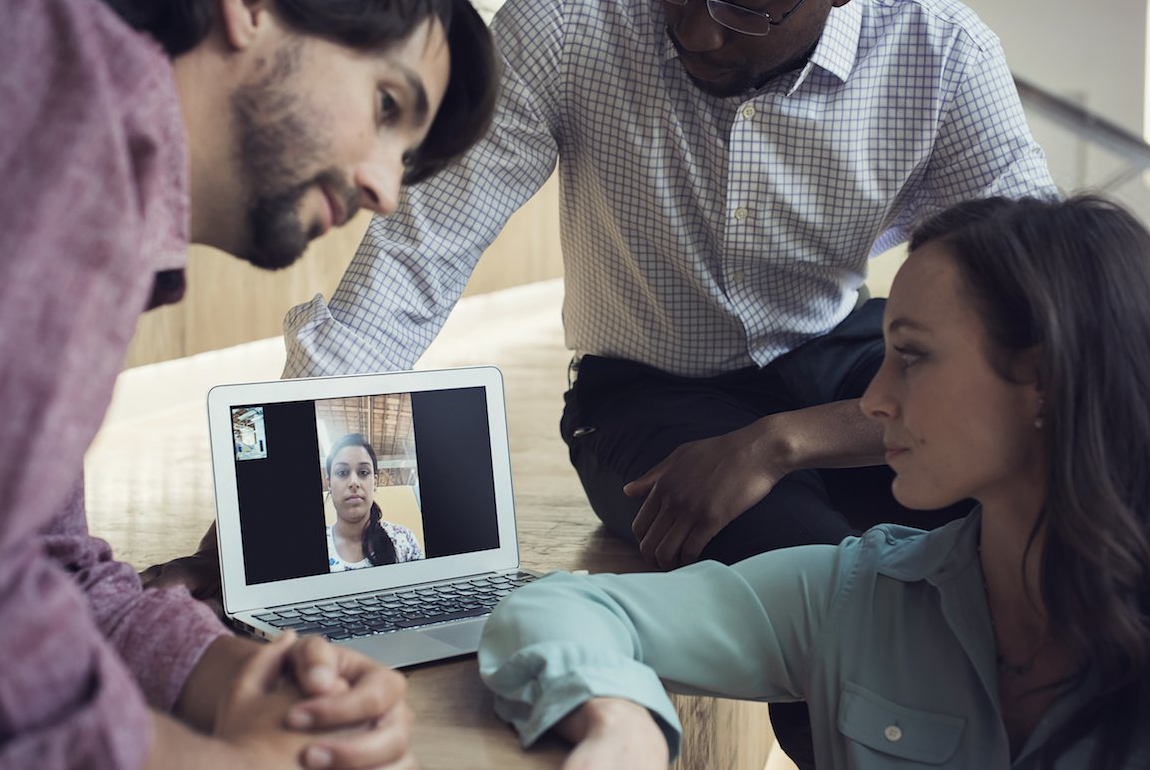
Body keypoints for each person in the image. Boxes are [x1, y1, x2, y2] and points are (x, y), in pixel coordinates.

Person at [281, 0, 1058, 576]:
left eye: (748, 2)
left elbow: (1046, 317)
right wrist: (275, 510)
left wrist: (780, 442)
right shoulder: (571, 7)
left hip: (842, 358)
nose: (696, 31)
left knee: (1041, 507)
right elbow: (420, 252)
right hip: (645, 392)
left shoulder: (944, 54)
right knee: (809, 573)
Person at [0, 0, 496, 768]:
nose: (385, 188)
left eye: (405, 156)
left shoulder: (96, 149)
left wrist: (233, 675)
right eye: (386, 106)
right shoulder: (60, 73)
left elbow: (46, 566)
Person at [476, 195, 1150, 769]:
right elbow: (548, 612)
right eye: (883, 354)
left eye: (911, 356)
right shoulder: (856, 596)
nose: (875, 398)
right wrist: (622, 723)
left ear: (1042, 381)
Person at [326, 434, 424, 570]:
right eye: (342, 473)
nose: (354, 482)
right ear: (329, 483)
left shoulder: (403, 540)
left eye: (363, 472)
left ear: (375, 482)